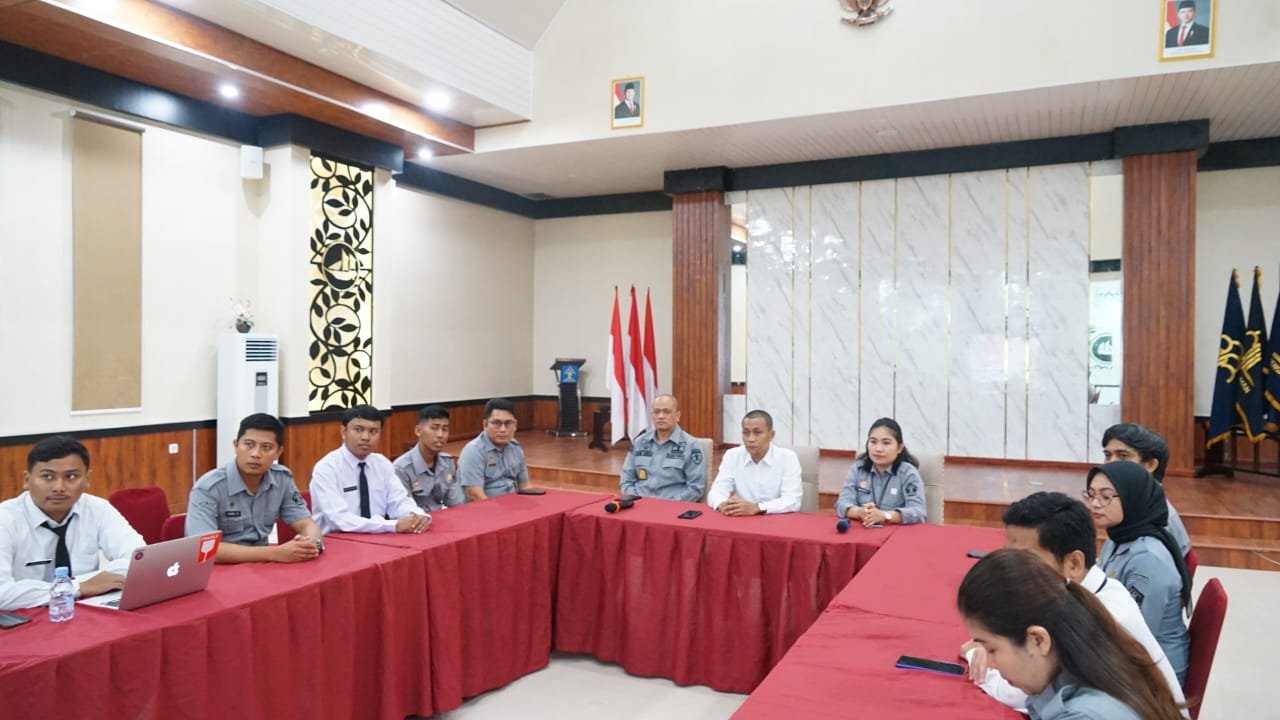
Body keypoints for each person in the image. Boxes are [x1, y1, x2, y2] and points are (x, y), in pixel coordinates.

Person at [962, 492, 1186, 715]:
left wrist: (979, 658)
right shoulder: (1082, 596)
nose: (1011, 574)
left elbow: (1021, 692)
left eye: (1025, 562)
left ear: (1074, 563)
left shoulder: (1104, 619)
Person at [0, 436, 144, 610]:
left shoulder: (98, 509)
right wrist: (77, 587)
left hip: (85, 610)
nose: (59, 487)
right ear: (27, 480)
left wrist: (83, 586)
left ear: (87, 479)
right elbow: (2, 593)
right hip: (24, 617)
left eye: (71, 476)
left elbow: (139, 560)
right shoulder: (6, 519)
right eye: (47, 477)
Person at [1087, 462, 1192, 684]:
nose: (1095, 503)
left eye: (1106, 497)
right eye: (1091, 494)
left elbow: (1134, 636)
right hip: (1121, 651)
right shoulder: (1119, 536)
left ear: (1132, 497)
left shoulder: (1147, 559)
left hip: (1153, 676)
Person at [185, 413, 324, 563]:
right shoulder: (208, 488)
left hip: (262, 566)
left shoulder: (281, 479)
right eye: (249, 444)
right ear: (236, 445)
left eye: (266, 447)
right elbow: (205, 549)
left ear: (278, 452)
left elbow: (306, 523)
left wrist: (311, 544)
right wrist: (275, 553)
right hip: (221, 568)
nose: (256, 454)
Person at [309, 405, 431, 534]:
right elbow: (338, 519)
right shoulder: (327, 468)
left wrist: (417, 516)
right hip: (336, 540)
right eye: (358, 430)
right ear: (343, 432)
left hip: (378, 538)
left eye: (373, 431)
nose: (366, 437)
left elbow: (399, 502)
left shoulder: (382, 464)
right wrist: (392, 525)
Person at [1101, 423, 1191, 558]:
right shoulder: (1130, 504)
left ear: (1150, 465)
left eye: (1123, 456)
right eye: (1108, 455)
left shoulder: (1158, 519)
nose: (1111, 463)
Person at [706, 410, 802, 515]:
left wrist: (758, 508)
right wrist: (722, 504)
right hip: (743, 518)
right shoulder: (732, 455)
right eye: (746, 433)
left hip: (775, 518)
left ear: (771, 435)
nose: (750, 439)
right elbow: (717, 491)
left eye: (757, 433)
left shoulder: (787, 458)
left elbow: (793, 501)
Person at [834, 418, 926, 526]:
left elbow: (918, 512)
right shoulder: (858, 469)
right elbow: (841, 504)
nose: (878, 449)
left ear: (899, 448)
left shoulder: (908, 473)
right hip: (863, 529)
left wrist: (885, 516)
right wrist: (859, 512)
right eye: (873, 442)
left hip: (896, 532)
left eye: (886, 443)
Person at [620, 394, 705, 501]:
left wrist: (666, 506)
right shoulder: (639, 443)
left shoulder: (691, 446)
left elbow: (695, 488)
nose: (660, 416)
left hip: (672, 506)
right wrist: (636, 501)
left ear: (677, 416)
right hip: (639, 504)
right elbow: (626, 481)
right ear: (652, 416)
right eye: (656, 412)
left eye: (666, 412)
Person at [393, 405, 467, 512]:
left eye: (445, 429)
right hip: (418, 520)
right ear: (418, 431)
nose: (440, 435)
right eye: (434, 428)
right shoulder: (401, 468)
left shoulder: (448, 463)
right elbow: (407, 511)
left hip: (444, 518)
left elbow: (457, 504)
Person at [459, 398, 530, 501]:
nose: (503, 430)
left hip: (514, 505)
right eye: (497, 423)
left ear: (515, 425)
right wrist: (499, 510)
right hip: (485, 507)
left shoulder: (515, 448)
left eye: (508, 423)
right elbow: (475, 495)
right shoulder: (473, 451)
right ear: (485, 424)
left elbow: (525, 486)